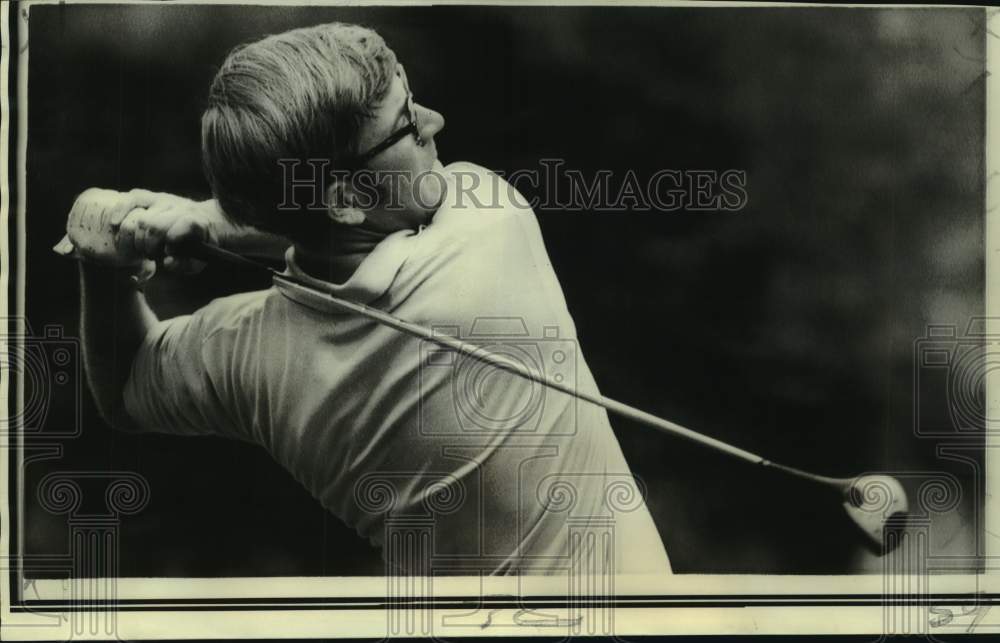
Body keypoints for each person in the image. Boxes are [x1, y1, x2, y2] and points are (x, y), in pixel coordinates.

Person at [64, 22, 671, 576]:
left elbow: (124, 386)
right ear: (344, 198)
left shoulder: (248, 357)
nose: (434, 121)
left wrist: (105, 260)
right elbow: (366, 212)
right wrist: (204, 220)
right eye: (408, 123)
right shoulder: (491, 228)